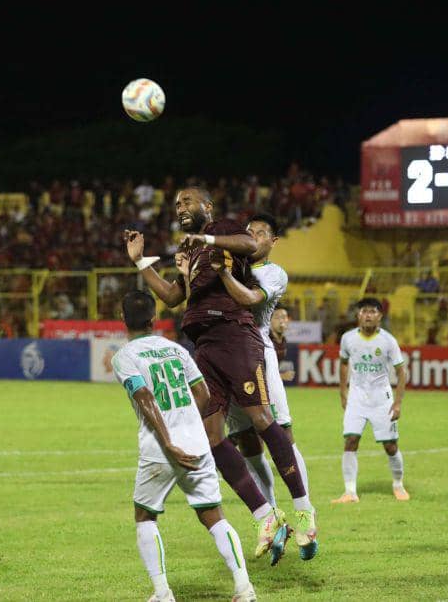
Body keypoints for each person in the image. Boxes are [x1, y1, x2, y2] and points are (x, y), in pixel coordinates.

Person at [124, 187, 315, 564]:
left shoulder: (222, 231)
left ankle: (305, 510)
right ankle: (267, 516)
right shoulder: (192, 251)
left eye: (187, 202)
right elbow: (173, 297)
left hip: (234, 334)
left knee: (261, 418)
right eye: (176, 203)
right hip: (204, 347)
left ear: (207, 207)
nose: (180, 207)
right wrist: (140, 263)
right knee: (212, 437)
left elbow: (247, 241)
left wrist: (208, 237)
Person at [112, 291, 256, 602]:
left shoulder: (124, 356)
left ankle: (162, 593)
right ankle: (244, 587)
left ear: (122, 320)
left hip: (161, 449)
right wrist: (189, 423)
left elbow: (144, 398)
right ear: (154, 319)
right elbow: (203, 393)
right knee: (213, 515)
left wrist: (168, 439)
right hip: (198, 443)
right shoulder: (175, 350)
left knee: (145, 516)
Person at [215, 213, 317, 560]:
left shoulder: (272, 273)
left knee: (279, 432)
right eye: (249, 234)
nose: (254, 238)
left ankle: (306, 512)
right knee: (245, 441)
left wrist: (221, 272)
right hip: (227, 356)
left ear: (272, 242)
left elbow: (250, 300)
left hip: (258, 352)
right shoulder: (231, 265)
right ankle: (273, 516)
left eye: (261, 234)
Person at [333, 298, 409, 503]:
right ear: (358, 315)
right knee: (350, 440)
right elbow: (343, 363)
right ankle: (350, 492)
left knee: (390, 445)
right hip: (357, 398)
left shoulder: (388, 341)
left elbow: (402, 372)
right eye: (364, 311)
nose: (367, 315)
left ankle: (398, 484)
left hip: (381, 399)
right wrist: (343, 392)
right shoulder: (348, 338)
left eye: (372, 311)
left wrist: (398, 402)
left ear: (380, 316)